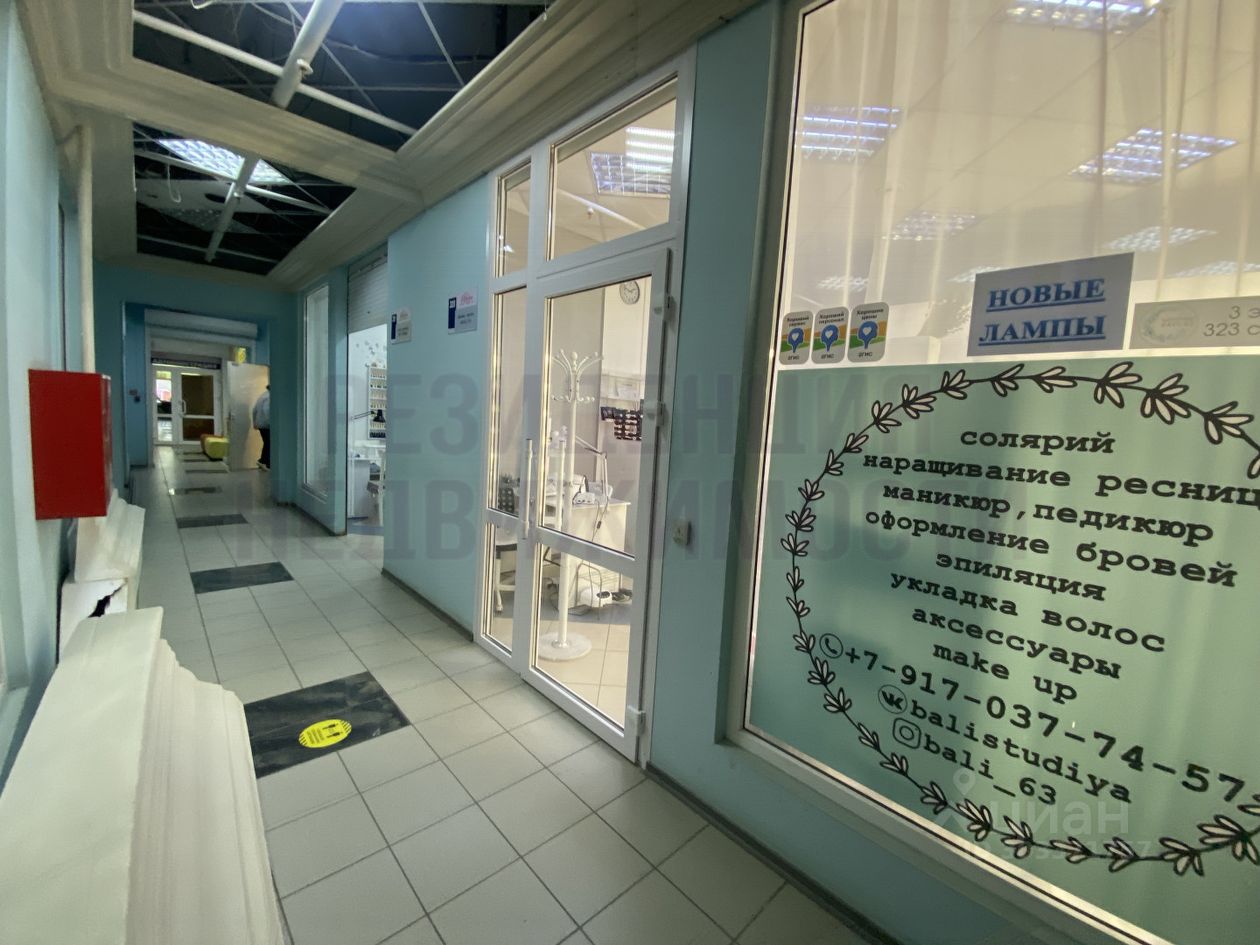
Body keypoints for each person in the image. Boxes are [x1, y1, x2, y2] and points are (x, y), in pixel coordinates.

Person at [252, 385, 271, 470]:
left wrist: (254, 423)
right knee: (269, 443)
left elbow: (254, 410)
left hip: (260, 424)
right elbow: (266, 410)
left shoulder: (262, 396)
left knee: (267, 443)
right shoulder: (269, 397)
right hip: (266, 424)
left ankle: (262, 460)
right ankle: (265, 462)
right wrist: (270, 423)